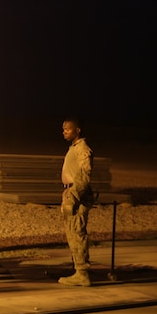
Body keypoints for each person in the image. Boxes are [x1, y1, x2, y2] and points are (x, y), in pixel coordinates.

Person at [59, 117, 95, 287]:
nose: (64, 132)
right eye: (63, 129)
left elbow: (84, 176)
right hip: (71, 193)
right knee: (72, 233)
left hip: (77, 197)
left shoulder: (83, 149)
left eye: (68, 129)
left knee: (77, 233)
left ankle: (82, 273)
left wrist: (73, 197)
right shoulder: (74, 148)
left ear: (78, 130)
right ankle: (78, 270)